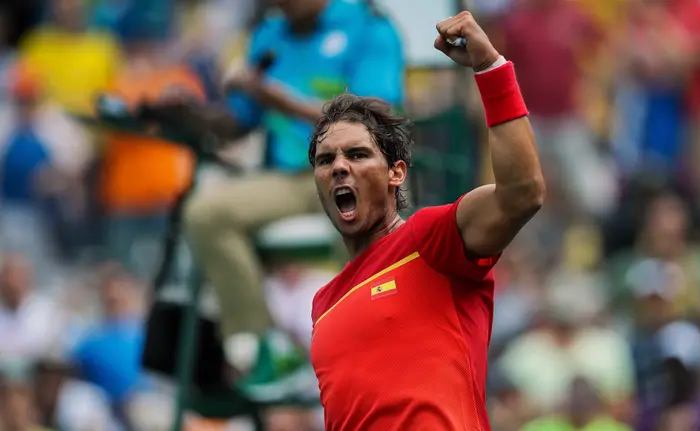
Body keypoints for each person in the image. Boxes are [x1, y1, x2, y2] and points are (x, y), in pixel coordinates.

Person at [148, 0, 404, 404]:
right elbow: (237, 122)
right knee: (204, 213)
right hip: (291, 180)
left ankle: (366, 351)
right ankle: (263, 345)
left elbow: (374, 121)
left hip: (355, 174)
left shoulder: (369, 28)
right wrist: (190, 113)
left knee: (362, 211)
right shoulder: (268, 33)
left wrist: (276, 98)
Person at [309, 11, 544, 430]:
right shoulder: (323, 304)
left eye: (358, 155)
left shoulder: (430, 240)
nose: (339, 166)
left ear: (396, 173)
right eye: (326, 160)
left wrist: (490, 67)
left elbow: (523, 193)